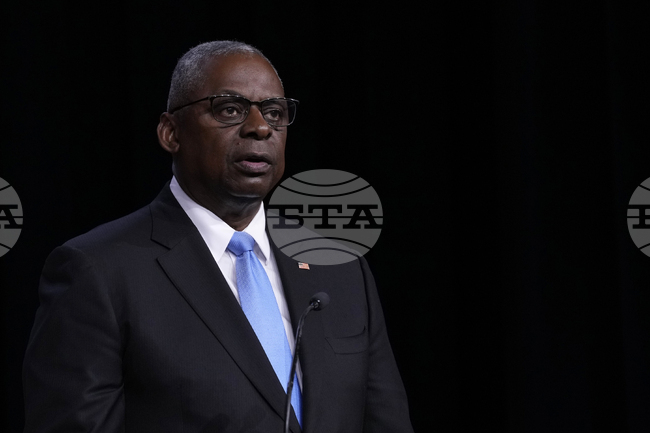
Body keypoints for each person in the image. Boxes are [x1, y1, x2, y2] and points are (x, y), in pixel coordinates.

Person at [22, 40, 414, 433]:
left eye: (274, 113)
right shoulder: (98, 271)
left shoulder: (340, 267)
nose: (260, 127)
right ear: (171, 132)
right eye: (230, 109)